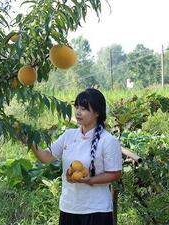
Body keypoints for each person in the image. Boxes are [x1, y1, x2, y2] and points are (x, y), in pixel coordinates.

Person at [25, 88, 123, 225]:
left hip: (96, 209)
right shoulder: (68, 135)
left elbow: (116, 174)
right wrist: (29, 142)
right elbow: (46, 157)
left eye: (83, 108)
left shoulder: (108, 141)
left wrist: (90, 180)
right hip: (69, 206)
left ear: (97, 112)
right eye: (77, 107)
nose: (78, 112)